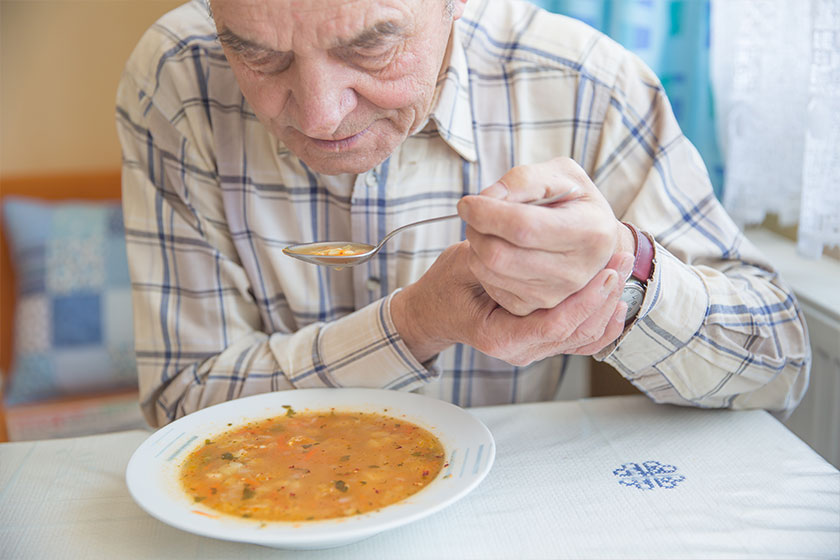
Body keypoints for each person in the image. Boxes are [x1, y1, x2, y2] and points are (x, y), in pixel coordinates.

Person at [116, 0, 810, 428]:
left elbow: (779, 367)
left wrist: (627, 275)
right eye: (259, 57)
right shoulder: (178, 79)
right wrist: (415, 323)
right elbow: (183, 401)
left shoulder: (586, 81)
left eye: (371, 46)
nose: (322, 115)